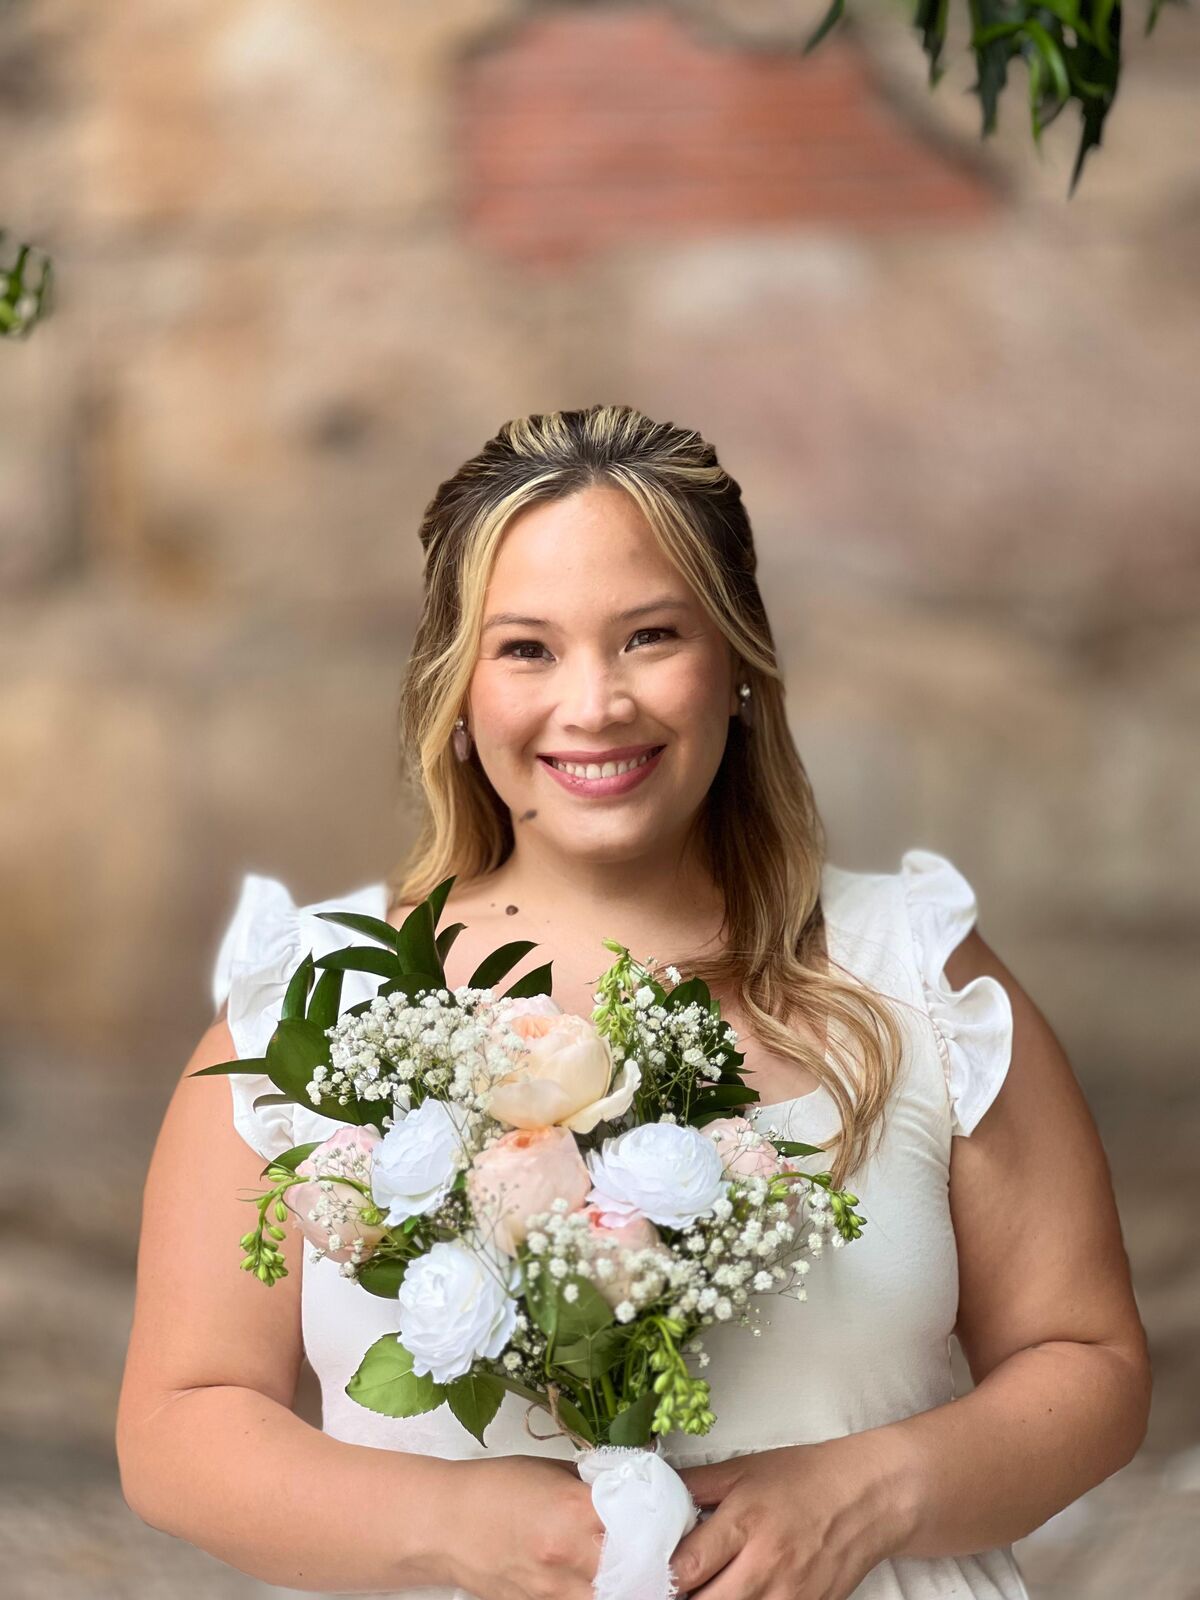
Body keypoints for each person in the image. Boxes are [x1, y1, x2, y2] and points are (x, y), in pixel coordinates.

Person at [117, 404, 1151, 1600]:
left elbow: (1090, 1360)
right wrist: (448, 1522)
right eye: (527, 649)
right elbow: (181, 1421)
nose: (596, 703)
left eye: (650, 635)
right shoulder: (316, 1004)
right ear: (457, 690)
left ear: (738, 661)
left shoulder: (914, 973)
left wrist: (871, 1492)